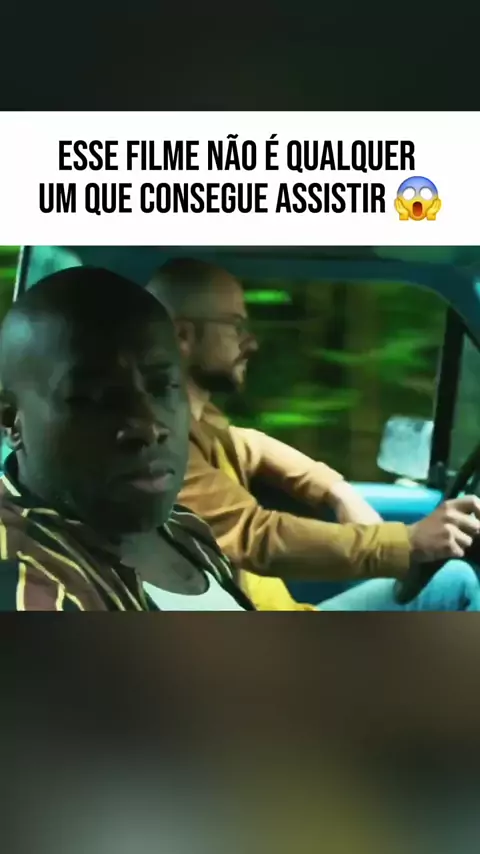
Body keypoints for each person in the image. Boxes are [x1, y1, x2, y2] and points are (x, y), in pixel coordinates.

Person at [147, 257, 480, 611]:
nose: (251, 343)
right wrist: (409, 543)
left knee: (453, 580)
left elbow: (250, 445)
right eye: (235, 327)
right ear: (182, 336)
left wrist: (337, 491)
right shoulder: (159, 444)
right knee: (456, 584)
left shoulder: (201, 421)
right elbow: (256, 536)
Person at [0, 266, 255, 610]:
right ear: (10, 421)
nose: (149, 426)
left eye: (163, 386)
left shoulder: (186, 531)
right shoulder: (22, 577)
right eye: (95, 398)